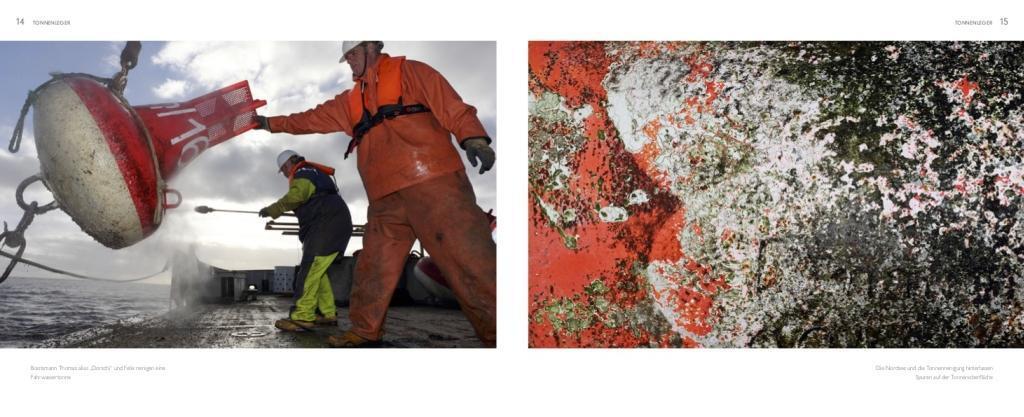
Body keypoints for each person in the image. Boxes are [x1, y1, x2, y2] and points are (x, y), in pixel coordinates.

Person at [254, 41, 496, 347]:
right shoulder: (349, 102)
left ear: (371, 47)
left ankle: (503, 336)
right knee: (373, 268)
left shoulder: (411, 72)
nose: (349, 62)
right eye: (347, 57)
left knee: (470, 262)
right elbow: (308, 119)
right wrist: (269, 124)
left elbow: (451, 106)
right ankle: (365, 331)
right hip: (384, 200)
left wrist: (473, 137)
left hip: (433, 182)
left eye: (353, 54)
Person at [259, 150, 353, 332]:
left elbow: (297, 196)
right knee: (319, 273)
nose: (285, 174)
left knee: (309, 270)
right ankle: (328, 313)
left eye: (283, 170)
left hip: (326, 225)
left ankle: (302, 316)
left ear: (287, 165)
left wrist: (272, 210)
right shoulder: (316, 173)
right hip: (335, 223)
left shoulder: (303, 173)